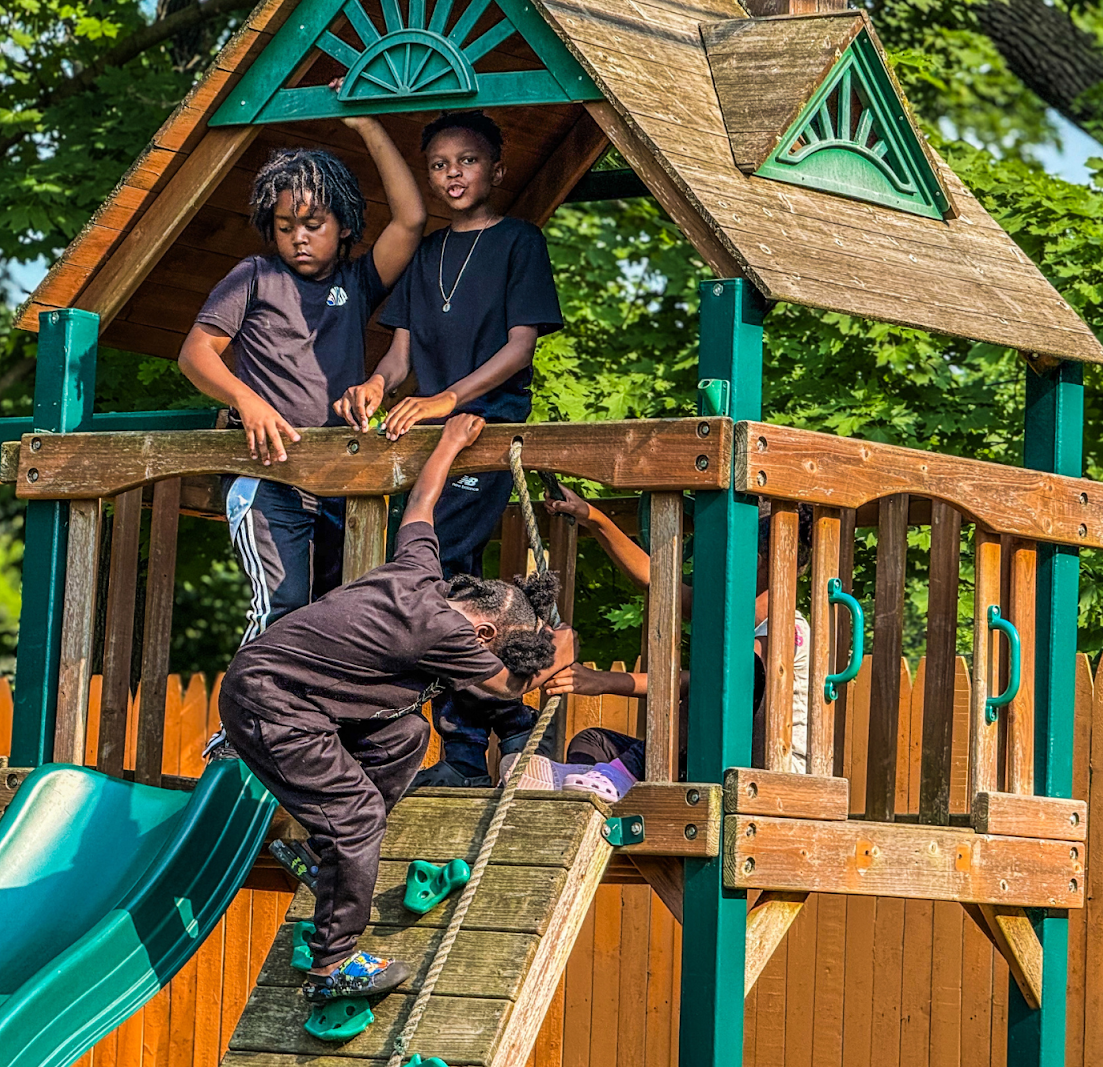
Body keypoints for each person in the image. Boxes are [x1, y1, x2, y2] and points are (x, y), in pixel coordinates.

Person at [216, 413, 577, 1002]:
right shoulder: (446, 633)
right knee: (356, 814)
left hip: (297, 699)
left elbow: (421, 506)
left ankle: (322, 852)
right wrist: (562, 649)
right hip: (271, 704)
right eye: (506, 646)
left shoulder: (421, 573)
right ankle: (332, 965)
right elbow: (508, 690)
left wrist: (449, 446)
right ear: (484, 635)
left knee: (405, 734)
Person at [333, 109, 564, 789]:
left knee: (435, 588)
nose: (452, 174)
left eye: (466, 161)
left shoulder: (520, 241)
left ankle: (493, 729)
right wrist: (373, 384)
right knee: (444, 588)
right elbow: (400, 354)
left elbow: (519, 346)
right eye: (438, 164)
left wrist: (446, 400)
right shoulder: (428, 252)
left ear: (496, 169)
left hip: (482, 432)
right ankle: (485, 734)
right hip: (428, 443)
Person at [177, 113, 426, 644]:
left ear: (345, 225)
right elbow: (196, 354)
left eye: (314, 225)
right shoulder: (255, 276)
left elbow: (410, 219)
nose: (299, 239)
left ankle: (306, 725)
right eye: (286, 228)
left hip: (338, 477)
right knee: (282, 604)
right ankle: (241, 725)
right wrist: (248, 401)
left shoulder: (357, 281)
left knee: (334, 615)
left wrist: (367, 128)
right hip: (266, 476)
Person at [517, 489, 812, 802]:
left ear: (753, 562)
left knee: (716, 687)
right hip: (712, 759)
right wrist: (593, 518)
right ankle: (585, 793)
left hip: (765, 768)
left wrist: (603, 681)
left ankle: (621, 773)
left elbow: (705, 683)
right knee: (592, 742)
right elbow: (656, 581)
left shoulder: (790, 632)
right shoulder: (730, 616)